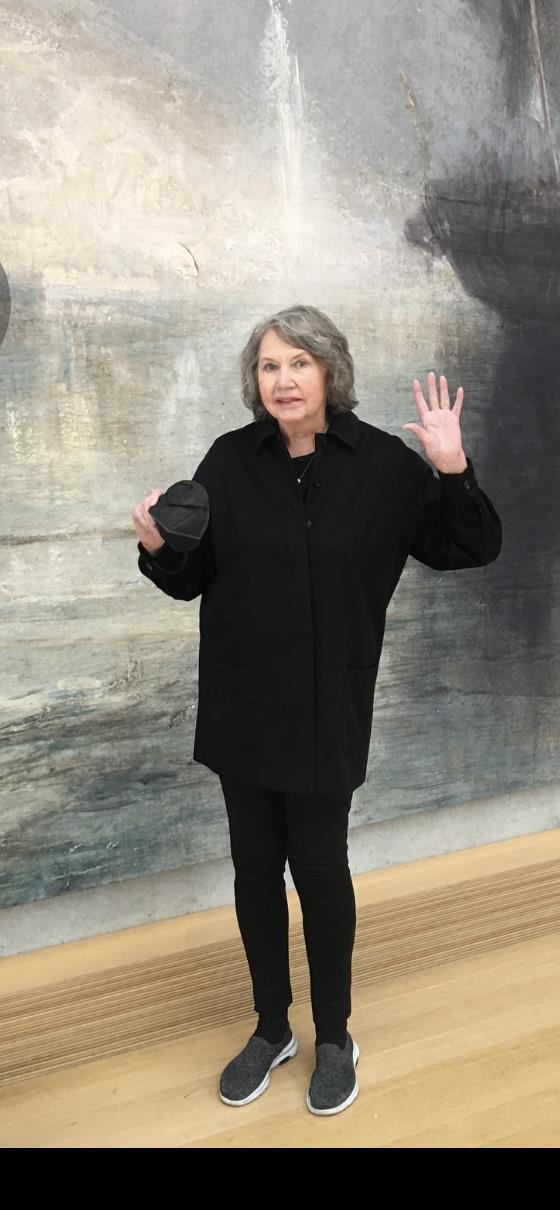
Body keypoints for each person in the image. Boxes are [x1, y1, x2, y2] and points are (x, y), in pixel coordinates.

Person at [131, 304, 502, 1116]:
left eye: (299, 362)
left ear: (330, 370)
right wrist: (158, 551)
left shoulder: (386, 468)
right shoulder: (229, 461)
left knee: (321, 870)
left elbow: (469, 547)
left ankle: (334, 1036)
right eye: (269, 365)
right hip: (242, 705)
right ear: (255, 381)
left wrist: (453, 469)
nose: (284, 379)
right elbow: (193, 578)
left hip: (329, 705)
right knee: (255, 871)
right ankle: (272, 1028)